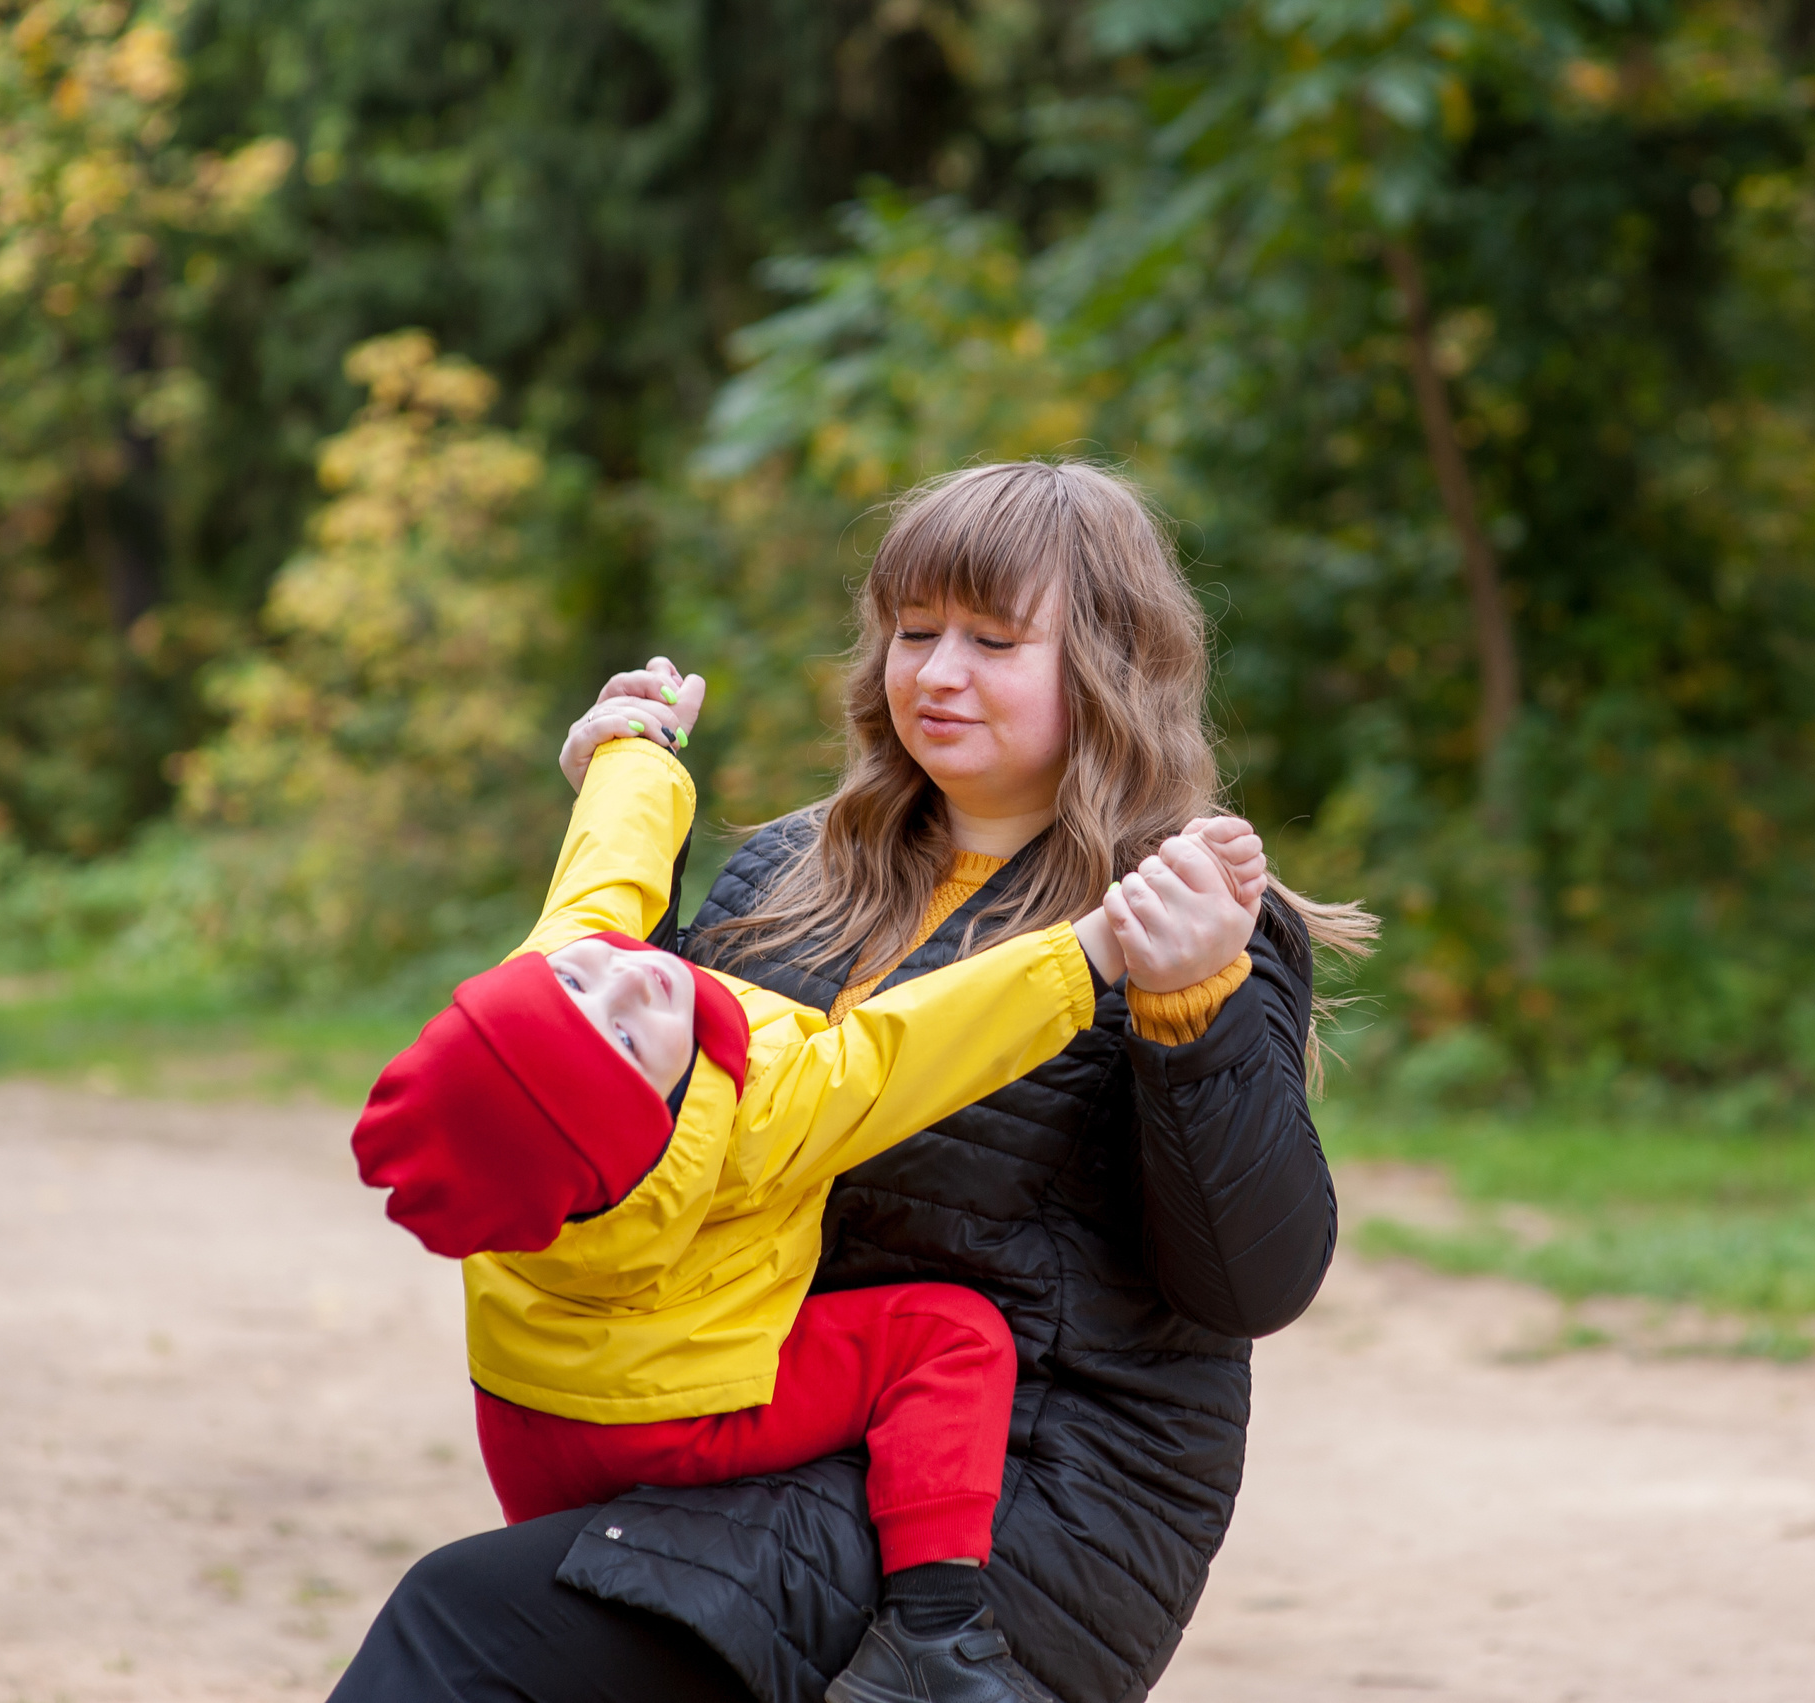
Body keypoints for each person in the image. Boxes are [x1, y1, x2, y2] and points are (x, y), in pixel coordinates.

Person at [331, 460, 1370, 1703]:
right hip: (783, 1412)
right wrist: (612, 810)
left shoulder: (1183, 915)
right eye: (914, 630)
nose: (937, 673)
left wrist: (1189, 1011)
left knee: (467, 1621)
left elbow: (1252, 1279)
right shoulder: (788, 869)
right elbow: (655, 1130)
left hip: (1029, 1487)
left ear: (1108, 664)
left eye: (992, 640)